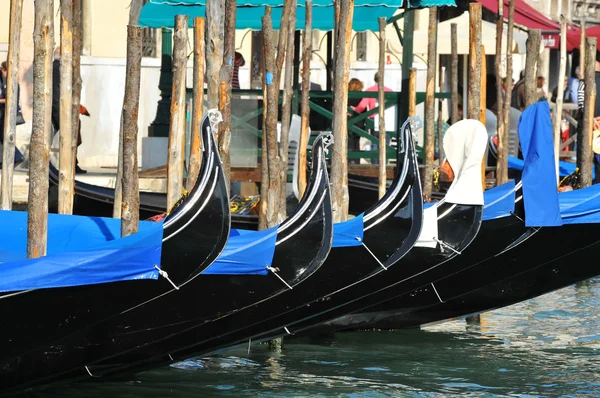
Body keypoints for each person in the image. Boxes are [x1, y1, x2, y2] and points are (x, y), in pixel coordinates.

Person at [52, 47, 87, 174]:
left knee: (74, 132)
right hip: (59, 109)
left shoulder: (57, 68)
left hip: (61, 108)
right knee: (70, 133)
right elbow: (56, 92)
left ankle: (73, 163)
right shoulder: (57, 69)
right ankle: (70, 164)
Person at [351, 73, 393, 164]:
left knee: (374, 143)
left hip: (374, 120)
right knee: (385, 145)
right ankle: (384, 165)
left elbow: (362, 106)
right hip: (389, 121)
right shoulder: (390, 91)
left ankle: (375, 166)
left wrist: (353, 111)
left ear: (374, 79)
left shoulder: (369, 90)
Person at [576, 49, 600, 184]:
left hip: (587, 125)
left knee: (583, 158)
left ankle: (583, 184)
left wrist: (591, 119)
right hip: (599, 125)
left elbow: (581, 105)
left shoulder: (583, 82)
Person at [0, 61, 24, 168]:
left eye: (3, 70)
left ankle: (17, 156)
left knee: (5, 136)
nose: (2, 72)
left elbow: (11, 99)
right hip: (6, 114)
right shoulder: (9, 82)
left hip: (9, 114)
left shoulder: (12, 83)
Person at [347, 78, 364, 164]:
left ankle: (349, 160)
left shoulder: (346, 95)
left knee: (348, 141)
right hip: (358, 122)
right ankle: (356, 161)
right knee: (356, 142)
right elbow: (364, 110)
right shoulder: (361, 96)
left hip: (347, 120)